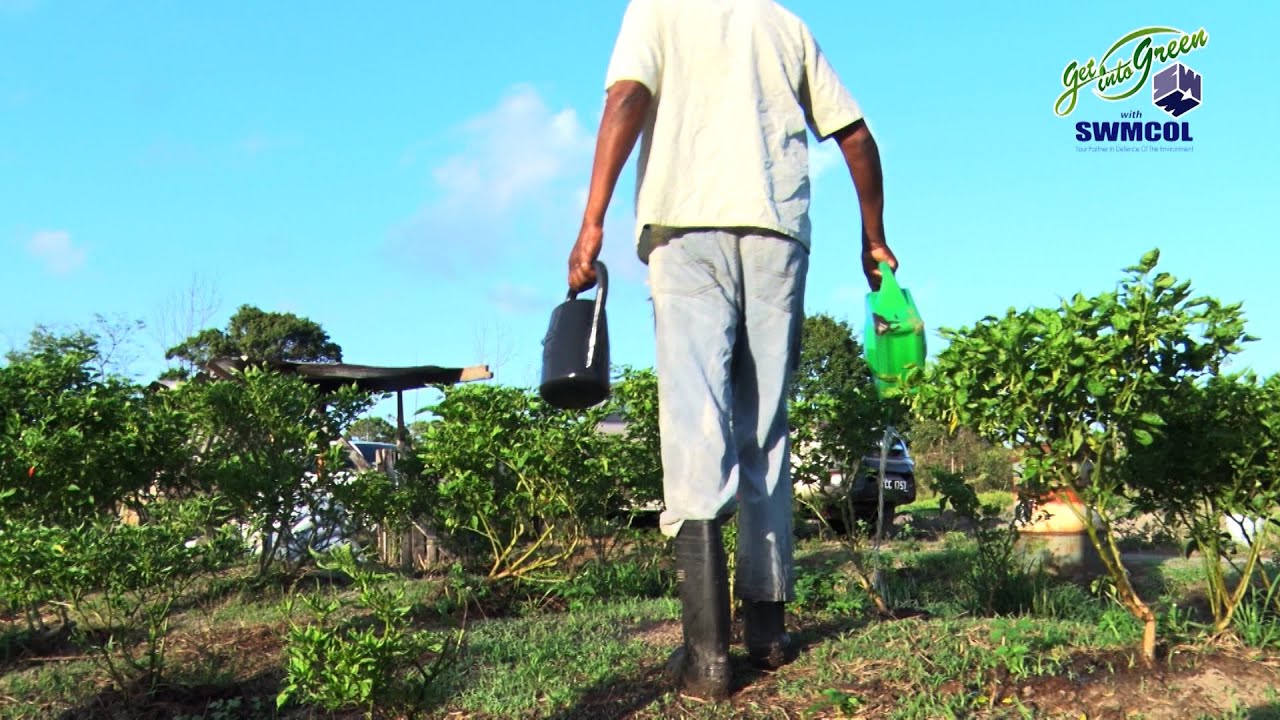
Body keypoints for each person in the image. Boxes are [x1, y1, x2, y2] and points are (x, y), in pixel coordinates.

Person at [565, 0, 896, 700]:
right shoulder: (783, 23)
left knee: (696, 425)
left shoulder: (653, 11)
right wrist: (873, 235)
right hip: (777, 231)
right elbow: (856, 135)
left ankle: (709, 656)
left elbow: (628, 95)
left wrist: (591, 222)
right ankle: (768, 630)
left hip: (685, 230)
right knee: (765, 428)